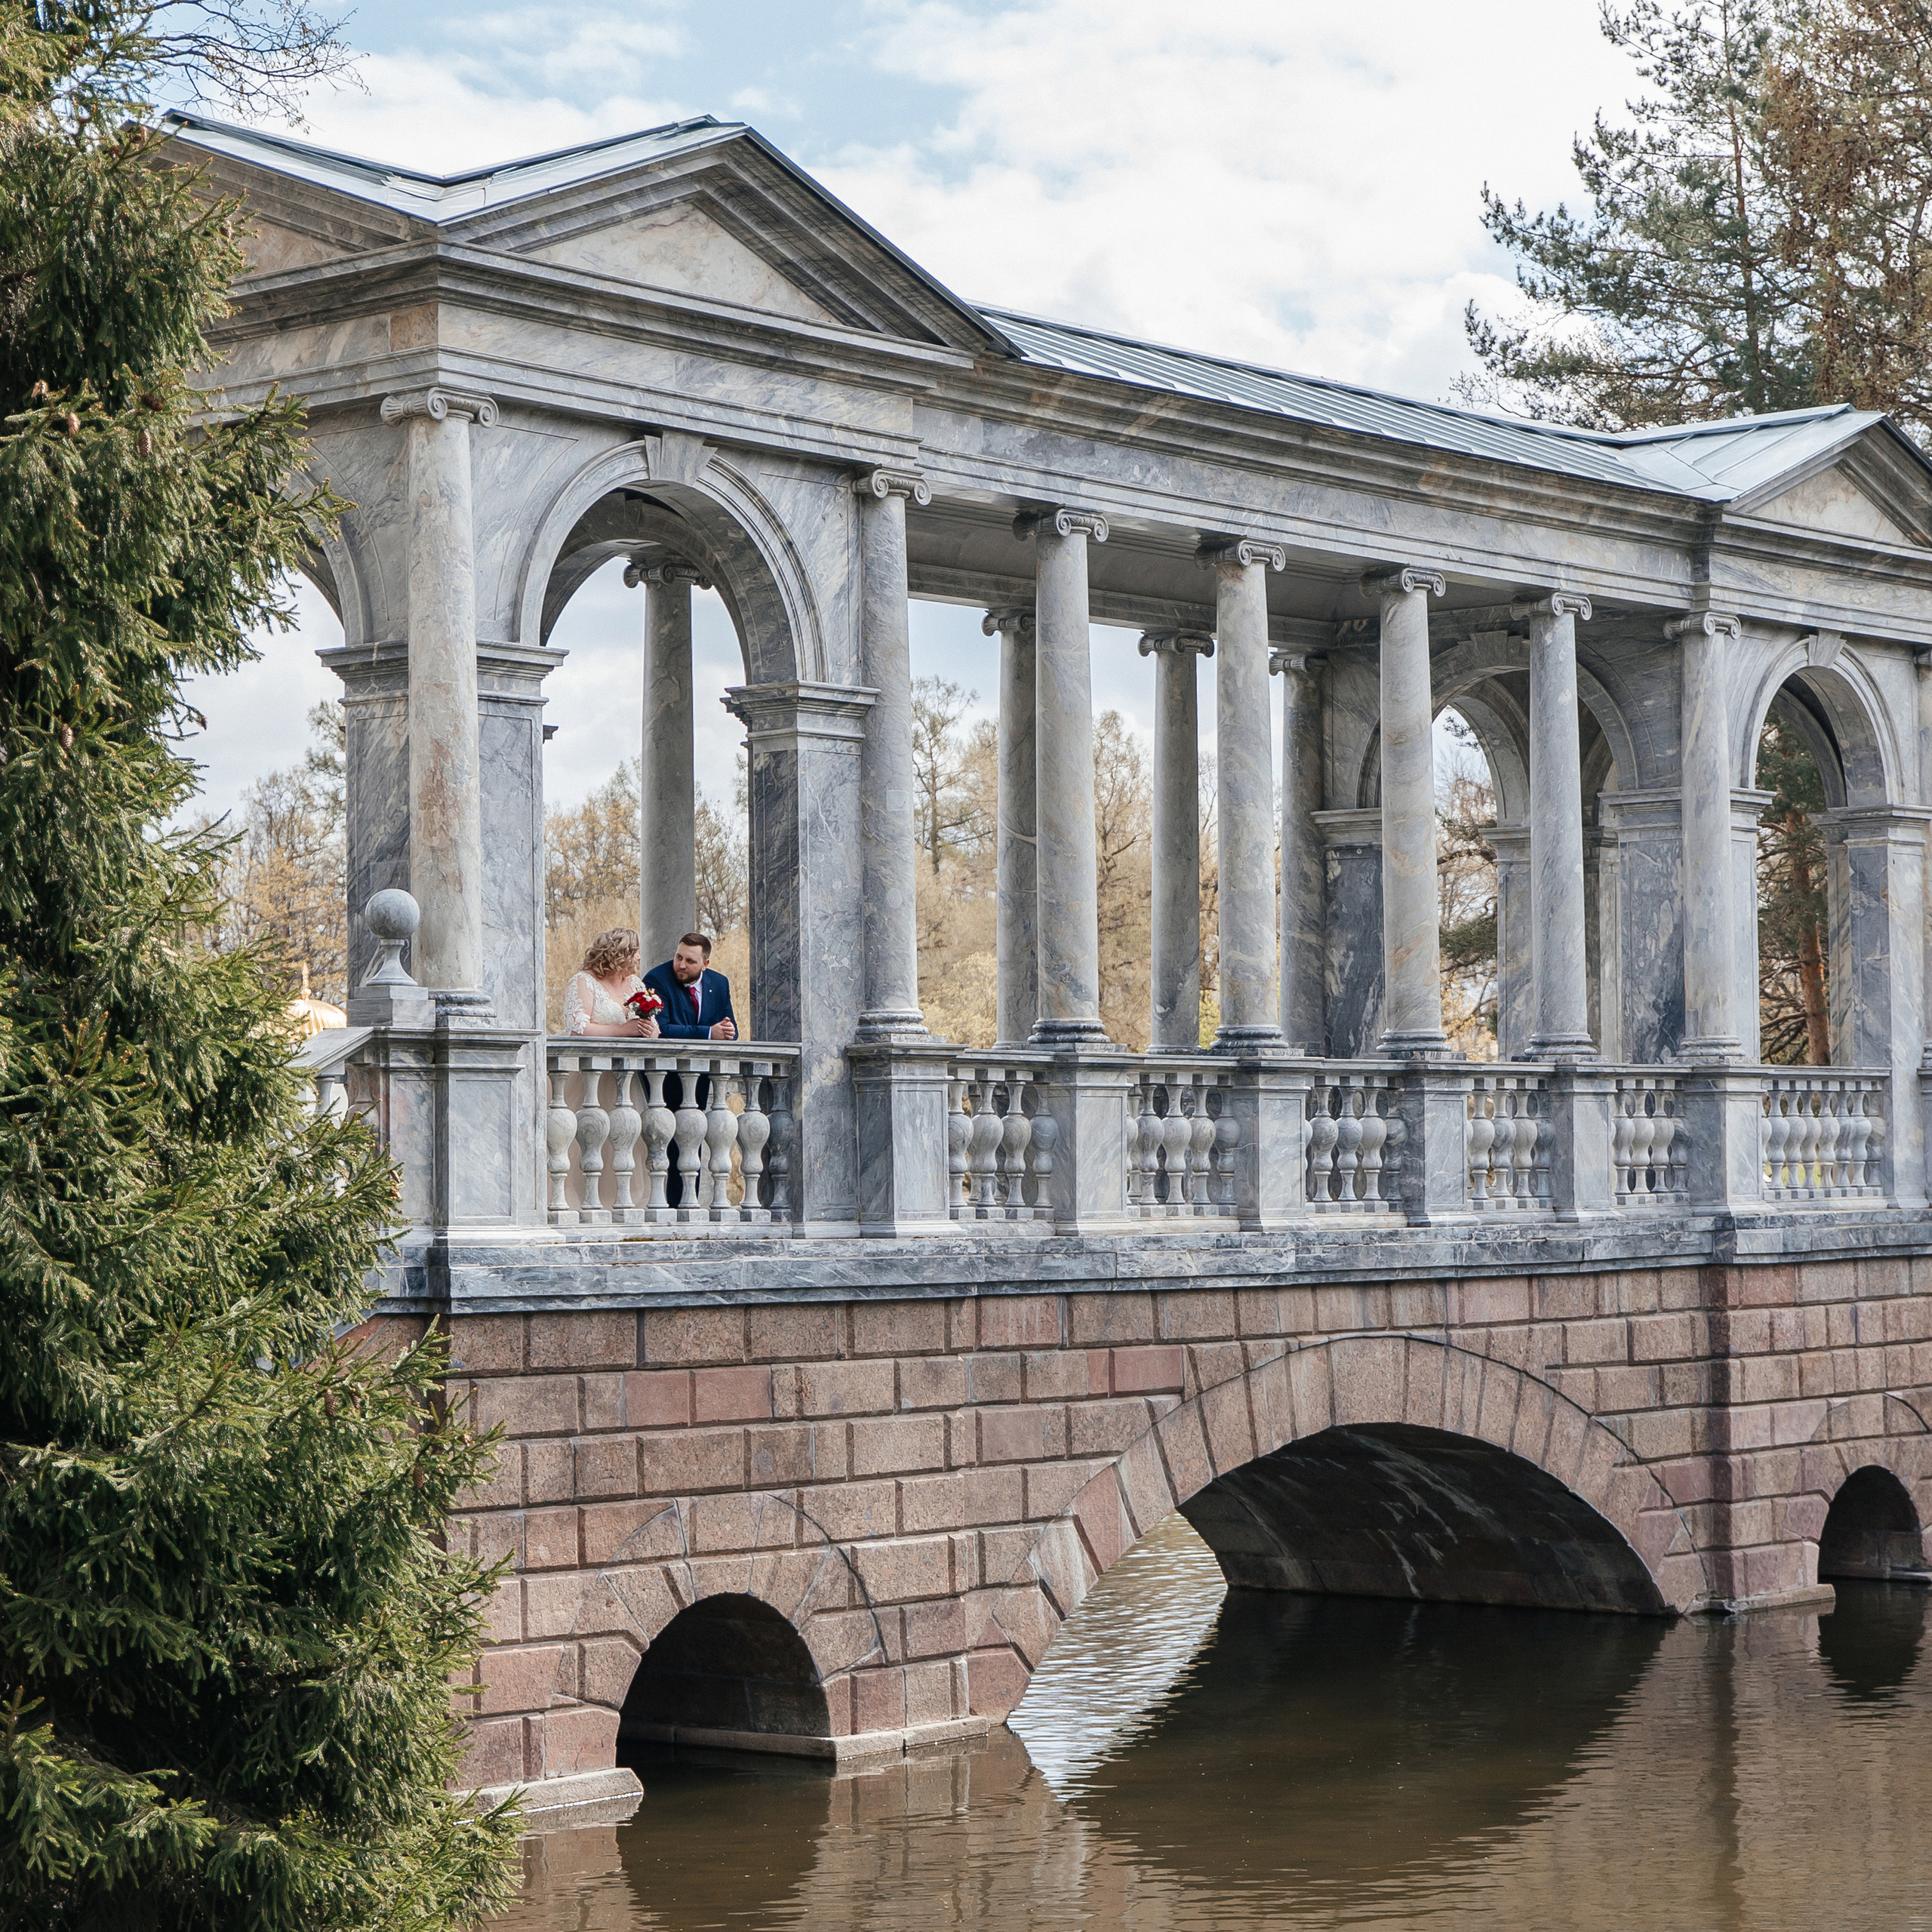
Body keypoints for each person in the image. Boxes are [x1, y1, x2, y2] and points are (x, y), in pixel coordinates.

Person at [562, 928, 661, 1039]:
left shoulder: (636, 983)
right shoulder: (584, 981)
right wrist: (623, 1030)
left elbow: (655, 1028)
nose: (639, 957)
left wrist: (650, 1031)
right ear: (618, 956)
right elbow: (577, 1029)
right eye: (634, 953)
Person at [644, 931, 737, 1041]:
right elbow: (660, 1029)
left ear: (705, 964)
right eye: (679, 957)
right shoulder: (656, 980)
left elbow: (732, 1029)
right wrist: (709, 1033)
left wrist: (728, 1031)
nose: (682, 965)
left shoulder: (719, 983)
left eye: (690, 961)